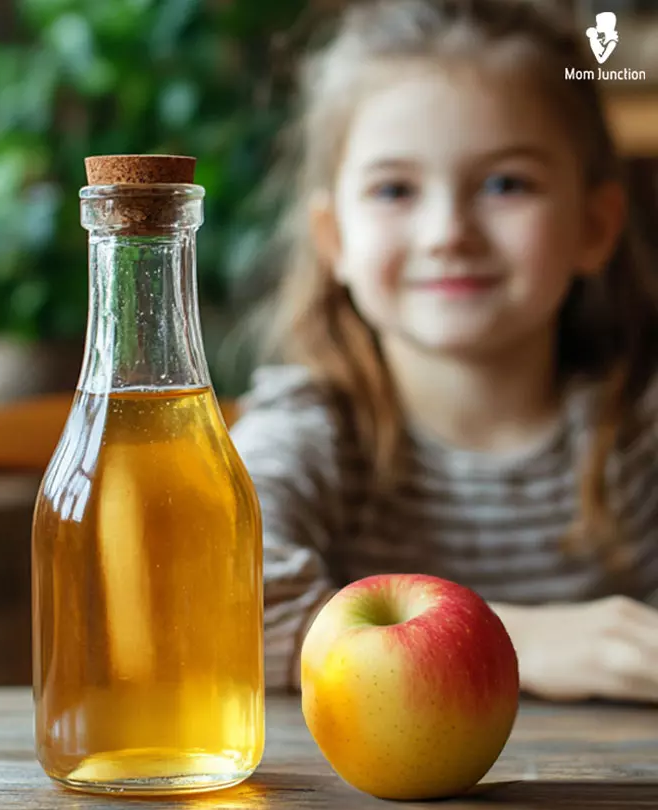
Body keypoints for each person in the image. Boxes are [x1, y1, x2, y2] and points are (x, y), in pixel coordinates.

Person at [230, 0, 658, 702]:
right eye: (395, 189)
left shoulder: (638, 436)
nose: (447, 233)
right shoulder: (312, 433)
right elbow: (208, 606)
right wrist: (521, 641)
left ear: (594, 226)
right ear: (334, 240)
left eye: (505, 184)